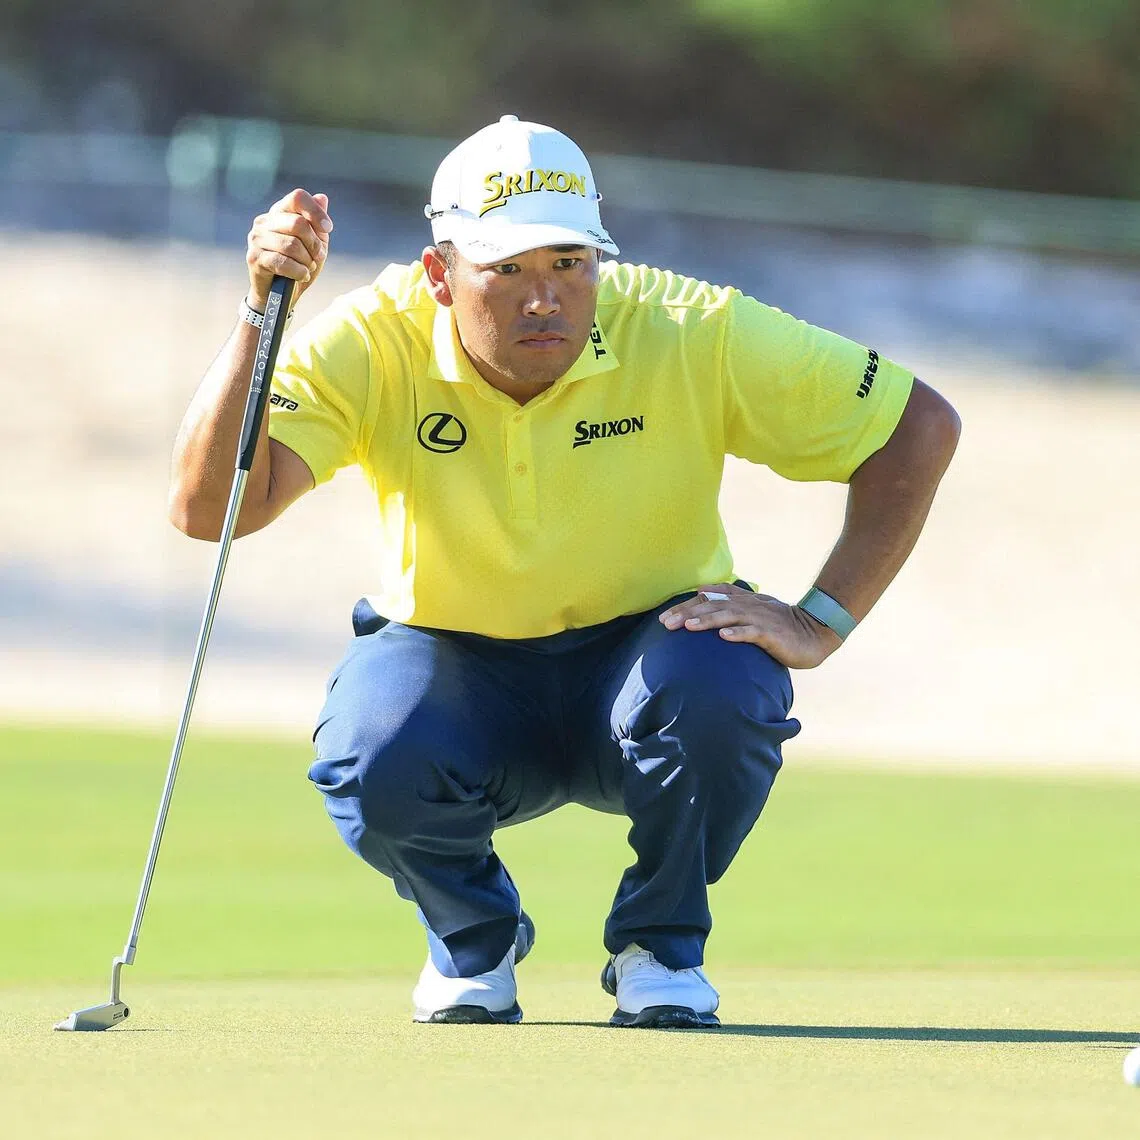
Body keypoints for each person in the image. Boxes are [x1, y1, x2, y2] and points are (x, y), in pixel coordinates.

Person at [169, 115, 960, 1029]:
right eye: (504, 270)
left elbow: (918, 428)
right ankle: (476, 939)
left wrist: (821, 619)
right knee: (368, 752)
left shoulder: (687, 325)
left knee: (727, 686)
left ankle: (658, 947)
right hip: (453, 673)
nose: (543, 298)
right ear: (440, 274)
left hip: (646, 664)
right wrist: (260, 316)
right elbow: (209, 507)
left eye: (568, 263)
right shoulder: (374, 339)